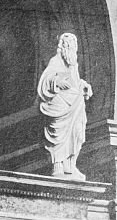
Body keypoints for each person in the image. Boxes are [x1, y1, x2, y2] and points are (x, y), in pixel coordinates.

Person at [37, 33, 93, 180]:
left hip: (75, 105)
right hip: (60, 106)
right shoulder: (55, 61)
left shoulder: (73, 65)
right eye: (68, 46)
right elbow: (45, 80)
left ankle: (70, 165)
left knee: (78, 133)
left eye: (74, 47)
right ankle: (58, 166)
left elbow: (75, 83)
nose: (72, 50)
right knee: (58, 137)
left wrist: (84, 86)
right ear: (62, 47)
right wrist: (57, 81)